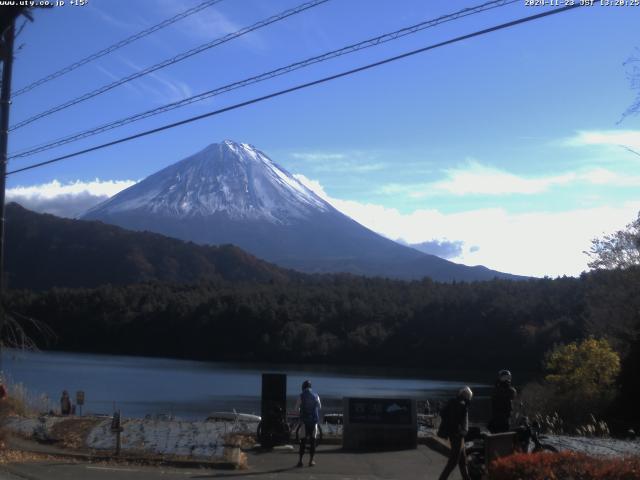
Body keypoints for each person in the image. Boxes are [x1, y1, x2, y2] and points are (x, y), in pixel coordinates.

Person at [438, 386, 472, 480]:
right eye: (469, 396)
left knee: (462, 461)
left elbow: (443, 414)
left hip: (454, 435)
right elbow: (461, 422)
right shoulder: (462, 405)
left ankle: (466, 478)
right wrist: (461, 432)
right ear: (467, 396)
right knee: (453, 462)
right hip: (458, 435)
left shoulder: (453, 401)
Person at [295, 380, 321, 467]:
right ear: (310, 387)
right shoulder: (316, 395)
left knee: (303, 441)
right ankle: (311, 461)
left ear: (303, 387)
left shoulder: (301, 396)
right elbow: (319, 407)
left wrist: (300, 411)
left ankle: (300, 461)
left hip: (304, 422)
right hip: (314, 422)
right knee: (313, 441)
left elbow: (296, 408)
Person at [487, 369, 517, 433]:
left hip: (506, 417)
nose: (507, 379)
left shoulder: (511, 390)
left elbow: (512, 394)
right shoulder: (496, 389)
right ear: (500, 378)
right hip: (497, 417)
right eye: (504, 378)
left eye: (508, 378)